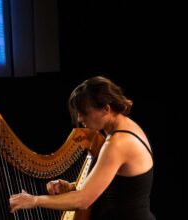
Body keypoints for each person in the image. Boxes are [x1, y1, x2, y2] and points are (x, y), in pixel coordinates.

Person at [9, 75, 156, 220]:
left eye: (84, 112)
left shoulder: (118, 143)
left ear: (106, 109)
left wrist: (34, 200)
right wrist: (71, 187)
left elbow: (83, 201)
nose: (79, 118)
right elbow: (120, 186)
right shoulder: (127, 127)